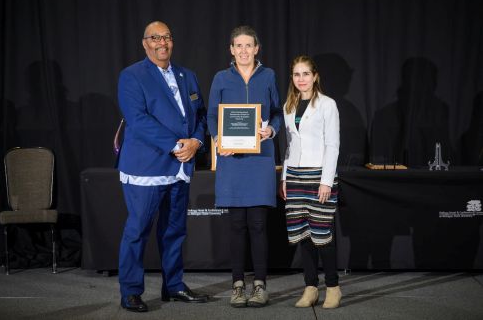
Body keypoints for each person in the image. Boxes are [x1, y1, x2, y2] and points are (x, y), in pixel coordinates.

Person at [116, 21, 208, 313]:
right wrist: (177, 145)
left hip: (180, 167)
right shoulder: (131, 76)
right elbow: (138, 120)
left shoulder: (188, 75)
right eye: (155, 38)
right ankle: (130, 291)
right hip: (147, 167)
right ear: (145, 43)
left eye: (166, 37)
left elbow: (201, 116)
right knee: (138, 230)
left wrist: (195, 140)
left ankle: (174, 285)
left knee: (174, 230)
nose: (162, 42)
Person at [207, 25, 282, 308]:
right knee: (237, 225)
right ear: (231, 50)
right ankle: (237, 284)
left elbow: (277, 112)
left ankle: (260, 284)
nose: (243, 50)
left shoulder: (269, 76)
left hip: (260, 159)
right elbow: (213, 115)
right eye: (238, 46)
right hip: (232, 161)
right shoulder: (221, 78)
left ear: (257, 48)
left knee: (259, 225)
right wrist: (217, 139)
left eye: (248, 45)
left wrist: (271, 131)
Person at [279, 55, 341, 309]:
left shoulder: (327, 104)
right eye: (296, 74)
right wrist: (284, 177)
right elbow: (288, 146)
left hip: (319, 177)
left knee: (321, 233)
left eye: (305, 74)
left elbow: (333, 144)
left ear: (315, 76)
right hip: (294, 176)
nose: (301, 79)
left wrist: (327, 181)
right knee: (302, 235)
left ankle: (334, 288)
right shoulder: (288, 106)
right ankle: (310, 287)